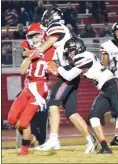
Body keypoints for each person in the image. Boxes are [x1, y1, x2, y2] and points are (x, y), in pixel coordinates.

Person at [24, 7, 99, 153]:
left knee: (52, 103)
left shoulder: (56, 27)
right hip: (70, 73)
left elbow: (45, 47)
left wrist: (32, 53)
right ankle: (92, 141)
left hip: (69, 74)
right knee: (71, 113)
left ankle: (53, 139)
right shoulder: (60, 28)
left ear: (49, 18)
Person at [7, 22, 57, 156]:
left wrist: (54, 68)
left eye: (36, 36)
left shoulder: (51, 50)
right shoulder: (28, 49)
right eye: (31, 37)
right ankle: (30, 138)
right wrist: (30, 57)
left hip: (40, 89)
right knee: (12, 118)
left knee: (24, 121)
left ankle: (25, 148)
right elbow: (22, 70)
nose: (34, 39)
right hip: (28, 87)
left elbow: (56, 68)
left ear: (42, 35)